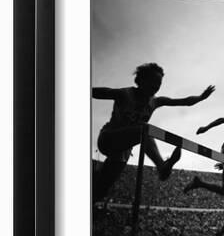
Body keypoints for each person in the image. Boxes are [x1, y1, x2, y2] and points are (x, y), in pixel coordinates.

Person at [92, 62, 215, 203]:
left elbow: (183, 101)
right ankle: (161, 166)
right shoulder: (125, 94)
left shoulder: (155, 102)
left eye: (159, 84)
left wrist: (200, 98)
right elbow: (99, 92)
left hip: (122, 151)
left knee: (100, 190)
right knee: (146, 129)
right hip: (108, 138)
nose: (156, 86)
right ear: (141, 80)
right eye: (153, 82)